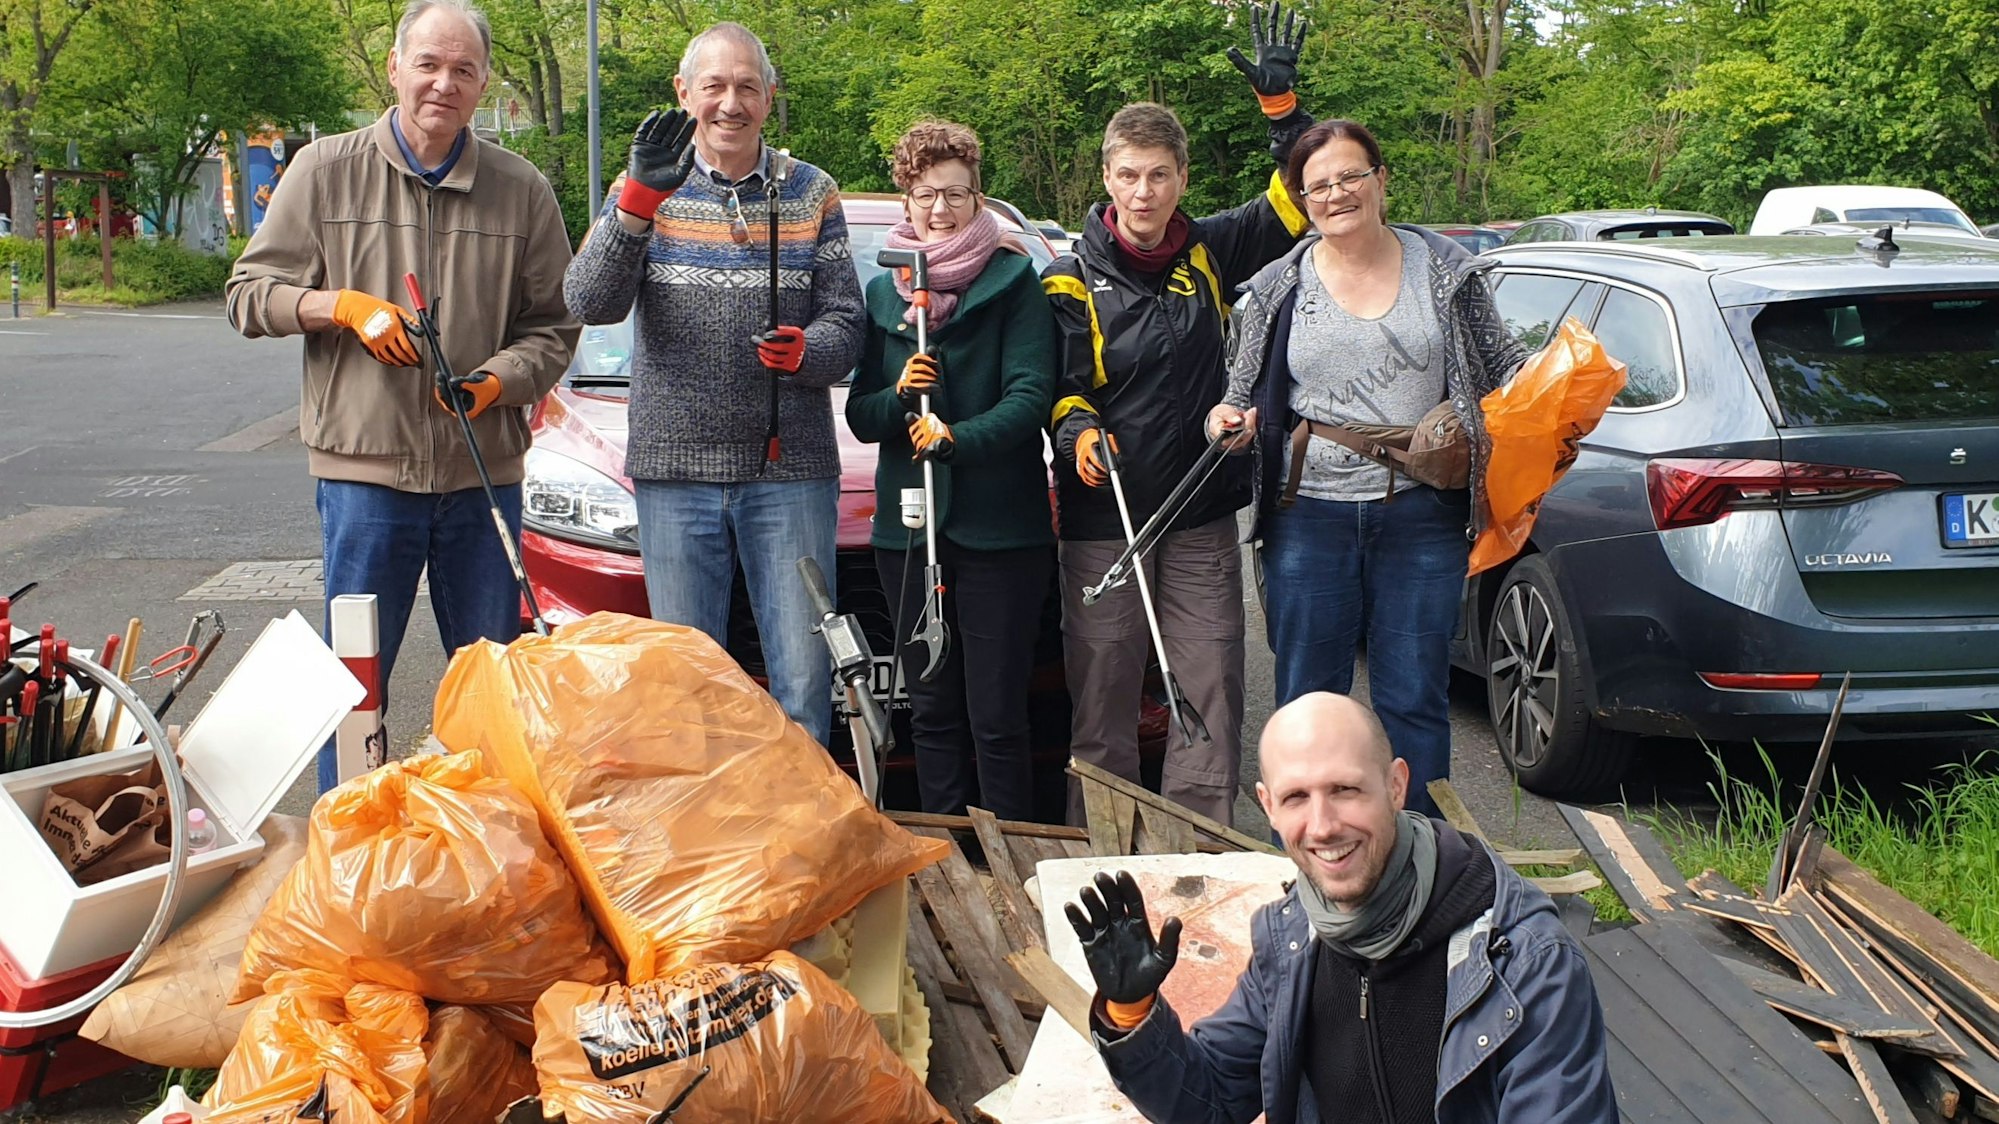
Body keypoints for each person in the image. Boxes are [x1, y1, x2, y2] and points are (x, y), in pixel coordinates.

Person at [225, 0, 579, 792]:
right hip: (366, 475)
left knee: (488, 683)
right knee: (350, 685)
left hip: (481, 473)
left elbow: (554, 328)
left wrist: (499, 381)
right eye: (428, 64)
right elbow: (249, 294)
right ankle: (345, 847)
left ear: (483, 83)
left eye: (463, 70)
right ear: (394, 67)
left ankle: (486, 851)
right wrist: (340, 306)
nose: (442, 84)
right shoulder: (323, 170)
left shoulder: (521, 190)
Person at [1066, 692, 1617, 1123]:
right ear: (1268, 808)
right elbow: (1206, 1103)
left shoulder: (1526, 965)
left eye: (1346, 790)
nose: (1324, 825)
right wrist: (1132, 1011)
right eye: (1297, 798)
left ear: (1396, 786)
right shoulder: (1290, 942)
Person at [1208, 120, 1529, 819]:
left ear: (1381, 179)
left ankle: (1422, 854)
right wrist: (1225, 424)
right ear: (1302, 198)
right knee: (1306, 699)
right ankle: (1307, 858)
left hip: (1421, 514)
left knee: (1413, 696)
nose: (1335, 194)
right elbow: (1235, 396)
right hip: (1307, 517)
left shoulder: (1444, 270)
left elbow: (1504, 369)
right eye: (1317, 185)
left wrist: (1563, 390)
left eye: (1350, 176)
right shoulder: (1275, 286)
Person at [1044, 1, 1314, 827]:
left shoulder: (1213, 248)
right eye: (1128, 174)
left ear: (1181, 180)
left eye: (1159, 174)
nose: (1143, 191)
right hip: (1107, 518)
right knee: (1104, 691)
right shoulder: (1064, 276)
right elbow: (1057, 388)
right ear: (1106, 179)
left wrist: (1283, 113)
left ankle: (1198, 847)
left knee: (1209, 682)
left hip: (1200, 511)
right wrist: (1076, 431)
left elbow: (1300, 198)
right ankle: (1106, 846)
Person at [563, 22, 865, 747]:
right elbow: (589, 302)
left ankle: (796, 847)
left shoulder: (809, 191)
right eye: (715, 87)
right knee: (685, 689)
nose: (731, 104)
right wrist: (636, 202)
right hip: (675, 477)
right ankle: (707, 853)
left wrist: (809, 352)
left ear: (768, 97)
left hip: (788, 472)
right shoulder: (643, 188)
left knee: (800, 682)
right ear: (683, 93)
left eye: (747, 88)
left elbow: (848, 322)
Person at [845, 121, 1057, 821]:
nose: (941, 210)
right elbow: (863, 418)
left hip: (1001, 531)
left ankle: (1013, 854)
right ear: (906, 198)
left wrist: (955, 439)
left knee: (997, 714)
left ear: (978, 197)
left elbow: (1030, 395)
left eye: (957, 195)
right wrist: (903, 393)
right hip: (908, 534)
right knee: (930, 708)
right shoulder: (885, 294)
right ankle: (944, 857)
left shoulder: (1012, 278)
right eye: (927, 194)